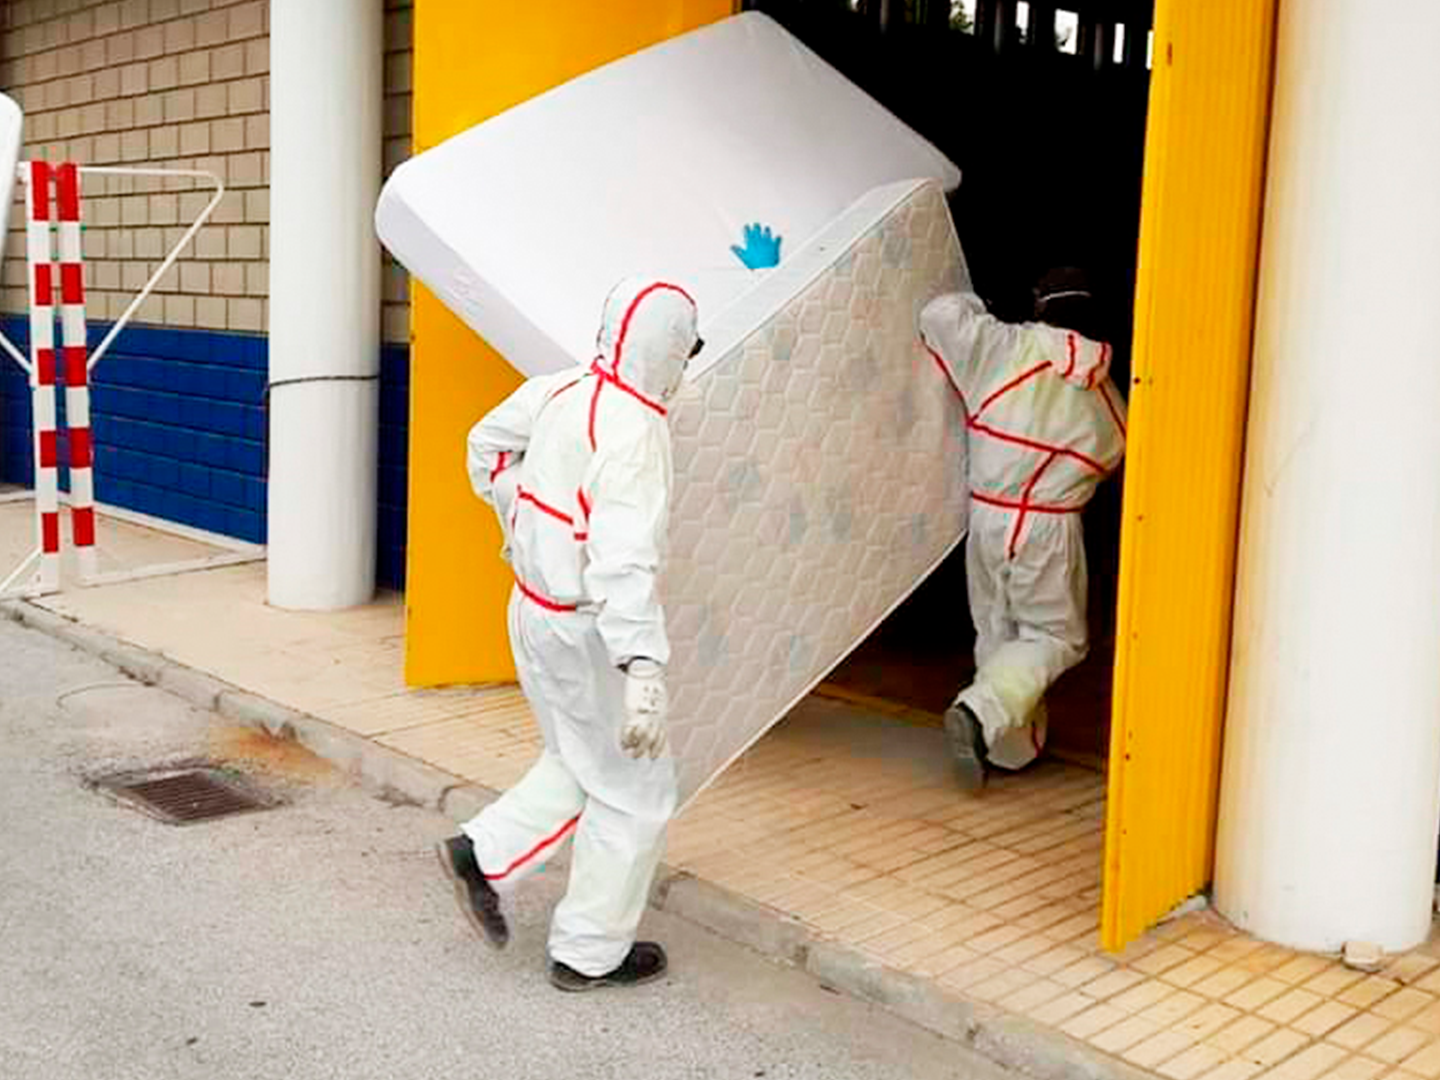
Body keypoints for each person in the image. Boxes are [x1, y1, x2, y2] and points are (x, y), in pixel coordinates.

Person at [436, 276, 702, 991]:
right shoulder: (636, 433)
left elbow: (485, 449)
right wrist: (643, 666)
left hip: (531, 611)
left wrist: (523, 519)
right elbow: (622, 562)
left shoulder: (560, 390)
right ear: (668, 347)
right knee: (634, 792)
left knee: (576, 759)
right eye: (688, 347)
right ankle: (589, 952)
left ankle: (481, 853)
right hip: (590, 632)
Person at [919, 268, 1127, 792]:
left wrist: (978, 301)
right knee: (1056, 637)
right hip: (1051, 525)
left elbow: (938, 317)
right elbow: (1113, 452)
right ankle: (981, 712)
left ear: (1040, 306)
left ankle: (1006, 747)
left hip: (988, 515)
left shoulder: (1002, 348)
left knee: (997, 629)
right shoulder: (1108, 400)